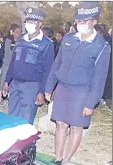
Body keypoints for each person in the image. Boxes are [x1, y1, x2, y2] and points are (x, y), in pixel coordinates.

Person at [44, 2, 111, 164]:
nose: (80, 24)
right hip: (63, 88)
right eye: (78, 21)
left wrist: (91, 103)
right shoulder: (68, 39)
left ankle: (66, 159)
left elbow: (99, 78)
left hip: (83, 91)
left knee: (76, 126)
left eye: (84, 21)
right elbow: (56, 64)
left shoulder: (102, 46)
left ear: (94, 22)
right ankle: (58, 157)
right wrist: (49, 87)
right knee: (60, 124)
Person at [2, 7, 54, 125]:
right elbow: (13, 62)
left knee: (26, 119)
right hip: (15, 84)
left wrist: (41, 91)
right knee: (12, 117)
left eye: (33, 22)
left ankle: (26, 143)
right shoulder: (20, 39)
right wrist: (7, 81)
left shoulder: (46, 43)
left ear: (40, 24)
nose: (29, 24)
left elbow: (47, 70)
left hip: (32, 87)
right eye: (28, 22)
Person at [0, 24, 21, 93]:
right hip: (6, 64)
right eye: (17, 32)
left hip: (16, 66)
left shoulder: (22, 42)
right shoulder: (7, 40)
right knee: (3, 81)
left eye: (20, 32)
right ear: (13, 32)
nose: (19, 34)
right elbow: (2, 52)